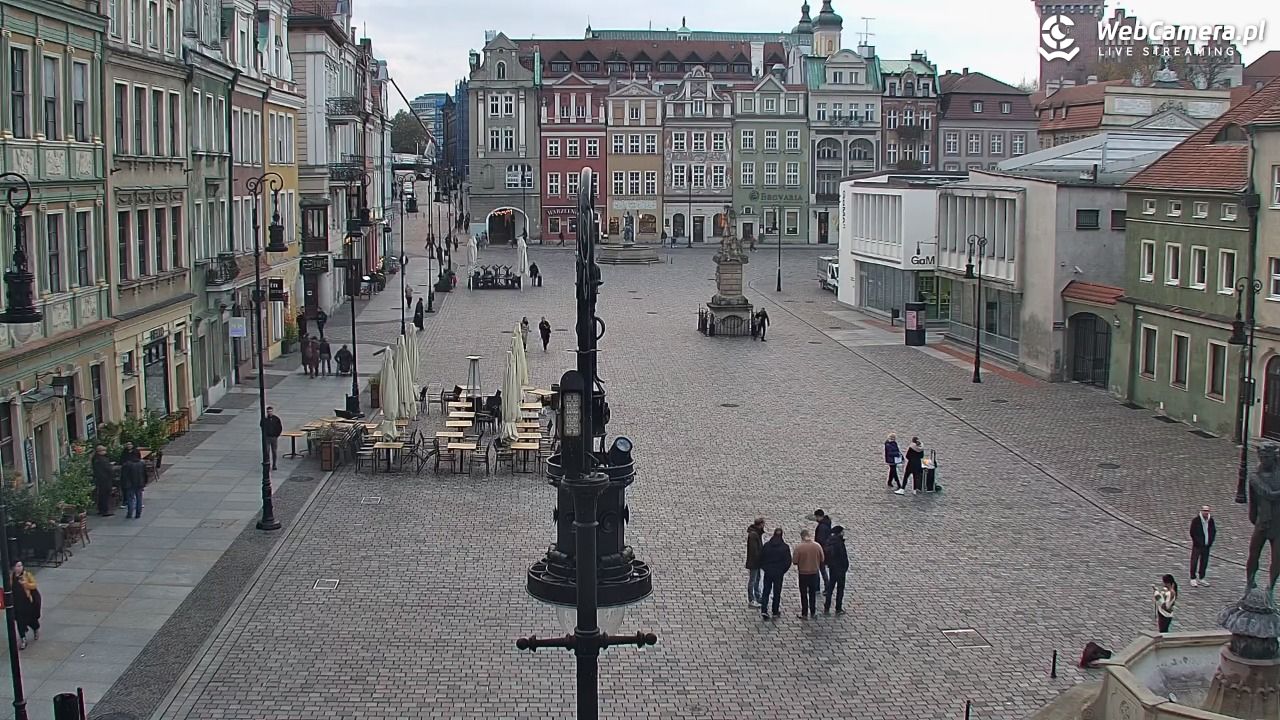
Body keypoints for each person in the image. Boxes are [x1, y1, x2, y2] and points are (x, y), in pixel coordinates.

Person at [758, 528, 791, 620]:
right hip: (778, 574)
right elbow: (788, 561)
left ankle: (764, 610)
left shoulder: (767, 546)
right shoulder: (785, 547)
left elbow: (761, 558)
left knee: (766, 591)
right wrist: (782, 571)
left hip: (768, 572)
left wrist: (765, 568)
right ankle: (775, 611)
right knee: (777, 592)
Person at [793, 529, 824, 619]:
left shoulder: (799, 547)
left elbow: (794, 561)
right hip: (814, 573)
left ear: (802, 536)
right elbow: (822, 559)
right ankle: (813, 612)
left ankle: (804, 613)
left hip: (803, 574)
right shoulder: (817, 546)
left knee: (803, 594)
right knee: (812, 593)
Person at [9, 562, 40, 649]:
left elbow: (34, 585)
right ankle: (23, 639)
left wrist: (25, 584)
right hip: (17, 603)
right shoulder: (12, 576)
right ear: (14, 568)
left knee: (31, 619)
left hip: (27, 602)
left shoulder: (27, 575)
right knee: (20, 622)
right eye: (17, 566)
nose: (20, 568)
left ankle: (35, 628)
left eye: (21, 566)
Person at [823, 526, 850, 614]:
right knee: (840, 588)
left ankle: (827, 606)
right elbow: (842, 557)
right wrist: (845, 567)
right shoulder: (839, 543)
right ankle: (838, 608)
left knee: (830, 587)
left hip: (832, 568)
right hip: (840, 569)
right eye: (842, 532)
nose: (843, 533)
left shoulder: (830, 541)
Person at [1189, 505, 1217, 587]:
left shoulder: (1211, 521)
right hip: (1197, 545)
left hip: (1206, 545)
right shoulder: (1196, 521)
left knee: (1204, 562)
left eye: (1207, 511)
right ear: (1201, 511)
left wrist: (1210, 542)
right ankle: (1193, 578)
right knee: (1194, 561)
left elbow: (1213, 531)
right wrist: (1197, 542)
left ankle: (1202, 577)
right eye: (1204, 511)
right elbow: (1192, 532)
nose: (1206, 512)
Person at [809, 509, 833, 594]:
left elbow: (820, 539)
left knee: (820, 569)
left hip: (821, 550)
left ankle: (822, 587)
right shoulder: (826, 523)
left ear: (819, 516)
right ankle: (822, 587)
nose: (816, 518)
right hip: (824, 550)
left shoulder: (822, 527)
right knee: (821, 569)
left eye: (816, 517)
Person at [745, 517, 765, 608]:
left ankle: (757, 596)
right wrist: (760, 559)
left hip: (757, 562)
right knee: (753, 580)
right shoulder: (753, 535)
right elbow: (754, 551)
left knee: (757, 579)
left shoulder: (757, 533)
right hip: (754, 562)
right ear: (760, 524)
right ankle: (751, 599)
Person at [91, 444, 115, 517]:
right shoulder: (103, 460)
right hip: (106, 479)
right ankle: (105, 510)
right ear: (100, 451)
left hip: (99, 479)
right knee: (106, 495)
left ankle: (100, 509)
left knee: (101, 495)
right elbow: (109, 469)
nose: (105, 452)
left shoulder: (95, 459)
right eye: (104, 450)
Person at [122, 454, 146, 519]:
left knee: (130, 499)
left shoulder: (127, 465)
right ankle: (138, 514)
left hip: (130, 484)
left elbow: (124, 475)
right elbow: (144, 474)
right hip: (139, 484)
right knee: (139, 499)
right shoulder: (141, 464)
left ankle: (130, 513)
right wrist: (144, 482)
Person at [261, 406, 284, 471]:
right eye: (268, 412)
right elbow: (262, 426)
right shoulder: (265, 419)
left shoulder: (276, 419)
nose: (269, 413)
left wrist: (277, 435)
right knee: (267, 451)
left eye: (270, 411)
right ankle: (267, 463)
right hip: (267, 437)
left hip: (274, 437)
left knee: (274, 451)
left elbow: (279, 427)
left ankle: (274, 464)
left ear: (272, 411)